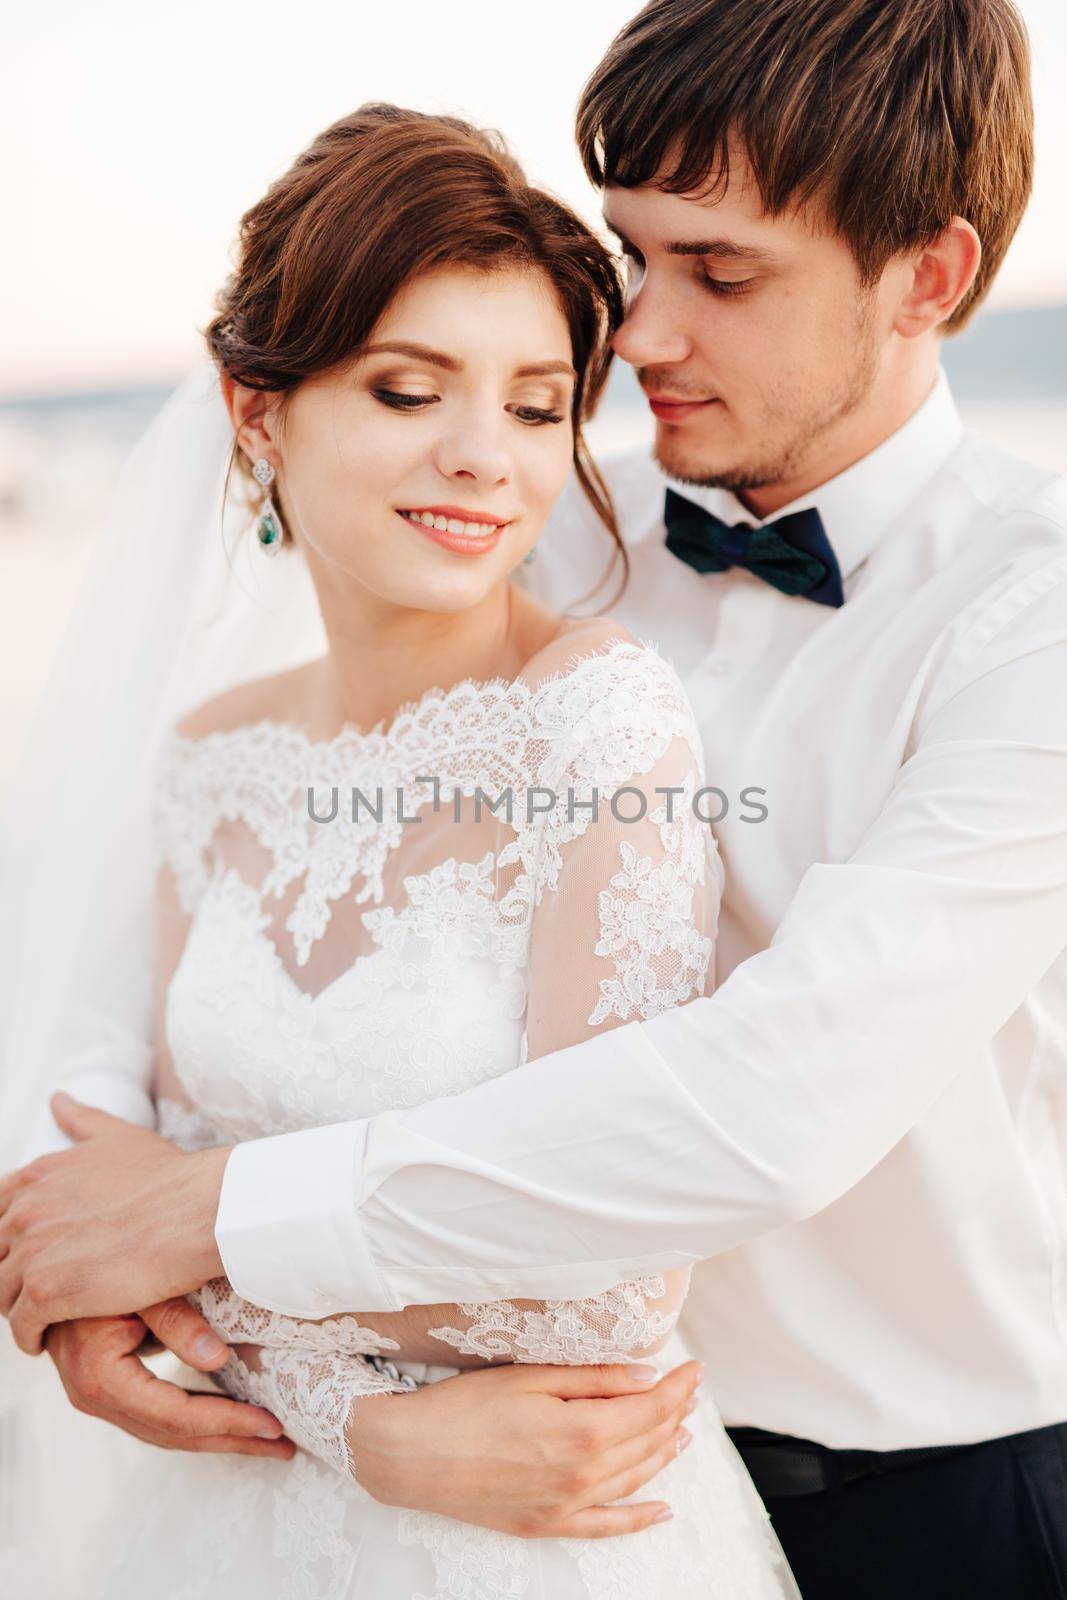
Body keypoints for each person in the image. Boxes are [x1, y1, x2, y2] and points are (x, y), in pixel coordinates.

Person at [3, 0, 1066, 1595]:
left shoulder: (1033, 618)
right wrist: (120, 1306)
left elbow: (768, 1103)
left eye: (719, 273)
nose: (636, 338)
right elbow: (165, 940)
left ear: (930, 275)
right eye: (634, 262)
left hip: (930, 1497)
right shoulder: (544, 516)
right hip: (461, 1467)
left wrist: (195, 1229)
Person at [0, 103, 799, 1599]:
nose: (482, 457)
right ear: (259, 413)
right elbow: (95, 1150)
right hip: (230, 1527)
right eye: (407, 387)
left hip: (537, 1537)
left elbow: (609, 1278)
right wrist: (340, 1418)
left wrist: (198, 1279)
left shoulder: (601, 726)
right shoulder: (212, 759)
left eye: (536, 403)